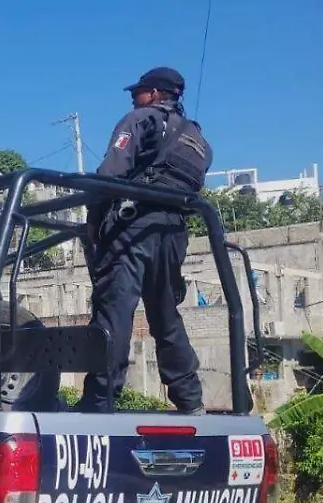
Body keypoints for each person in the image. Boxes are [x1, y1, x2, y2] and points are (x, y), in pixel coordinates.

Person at [76, 67, 214, 414]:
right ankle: (190, 400)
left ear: (154, 94)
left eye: (138, 91)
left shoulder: (141, 119)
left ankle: (99, 402)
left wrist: (93, 220)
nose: (132, 97)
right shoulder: (197, 139)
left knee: (115, 313)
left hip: (134, 228)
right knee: (166, 315)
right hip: (173, 234)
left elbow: (111, 173)